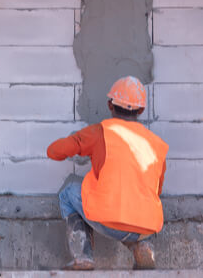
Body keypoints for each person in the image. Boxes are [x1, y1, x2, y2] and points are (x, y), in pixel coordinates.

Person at [46, 76, 168, 271]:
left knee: (68, 192)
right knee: (144, 205)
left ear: (110, 105)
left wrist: (77, 141)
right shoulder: (156, 144)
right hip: (145, 227)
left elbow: (54, 151)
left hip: (109, 221)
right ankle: (142, 246)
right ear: (141, 110)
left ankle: (82, 255)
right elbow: (157, 189)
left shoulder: (100, 132)